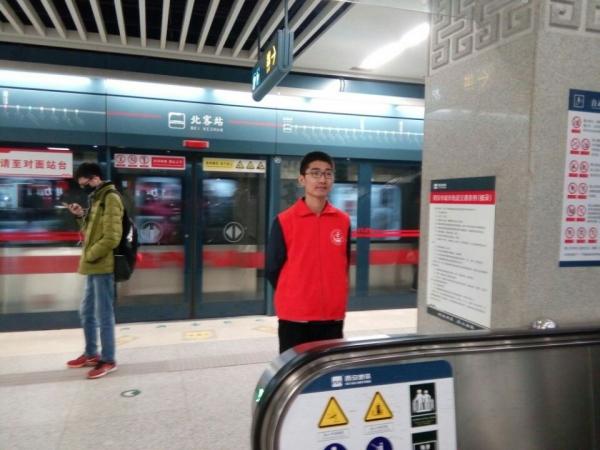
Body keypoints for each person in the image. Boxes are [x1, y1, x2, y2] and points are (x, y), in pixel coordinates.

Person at [266, 151, 351, 353]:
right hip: (295, 318)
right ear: (302, 179)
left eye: (328, 173)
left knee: (329, 369)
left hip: (332, 316)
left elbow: (344, 263)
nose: (322, 179)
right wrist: (296, 291)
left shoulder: (343, 221)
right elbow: (272, 269)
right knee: (294, 370)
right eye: (315, 173)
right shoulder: (284, 221)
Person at [65, 162, 123, 379]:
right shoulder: (96, 198)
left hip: (102, 265)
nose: (84, 188)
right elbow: (90, 232)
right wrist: (81, 215)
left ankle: (108, 359)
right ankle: (91, 354)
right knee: (87, 311)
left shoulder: (111, 198)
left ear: (96, 178)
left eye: (85, 183)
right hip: (93, 264)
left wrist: (90, 254)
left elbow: (112, 237)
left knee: (104, 314)